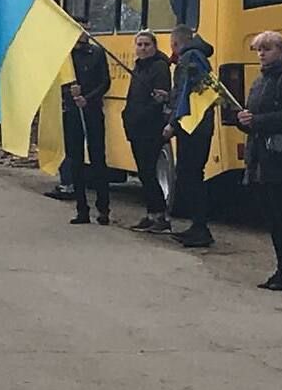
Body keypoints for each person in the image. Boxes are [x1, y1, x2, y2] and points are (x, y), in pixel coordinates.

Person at [236, 31, 282, 293]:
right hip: (261, 156)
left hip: (281, 158)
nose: (261, 54)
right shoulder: (261, 79)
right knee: (273, 217)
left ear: (281, 50)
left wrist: (256, 122)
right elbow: (253, 114)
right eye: (258, 49)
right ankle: (281, 268)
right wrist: (243, 120)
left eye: (266, 49)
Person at [165, 25, 216, 248]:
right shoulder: (198, 56)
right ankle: (197, 226)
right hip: (199, 124)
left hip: (193, 125)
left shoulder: (189, 58)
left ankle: (200, 228)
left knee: (190, 175)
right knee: (192, 174)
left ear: (176, 44)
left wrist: (172, 124)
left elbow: (185, 93)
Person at [123, 30, 173, 232]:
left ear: (155, 46)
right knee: (143, 172)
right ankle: (151, 213)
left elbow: (159, 99)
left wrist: (142, 114)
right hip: (136, 127)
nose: (143, 48)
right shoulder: (139, 67)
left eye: (147, 45)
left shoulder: (159, 67)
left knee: (149, 171)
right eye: (140, 45)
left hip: (150, 128)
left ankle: (160, 216)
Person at [65, 30, 111, 224]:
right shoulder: (65, 56)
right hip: (72, 113)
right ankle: (81, 209)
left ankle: (103, 209)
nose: (84, 34)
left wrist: (89, 98)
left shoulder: (97, 53)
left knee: (98, 158)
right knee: (75, 161)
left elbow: (105, 82)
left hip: (92, 111)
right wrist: (68, 92)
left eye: (86, 30)